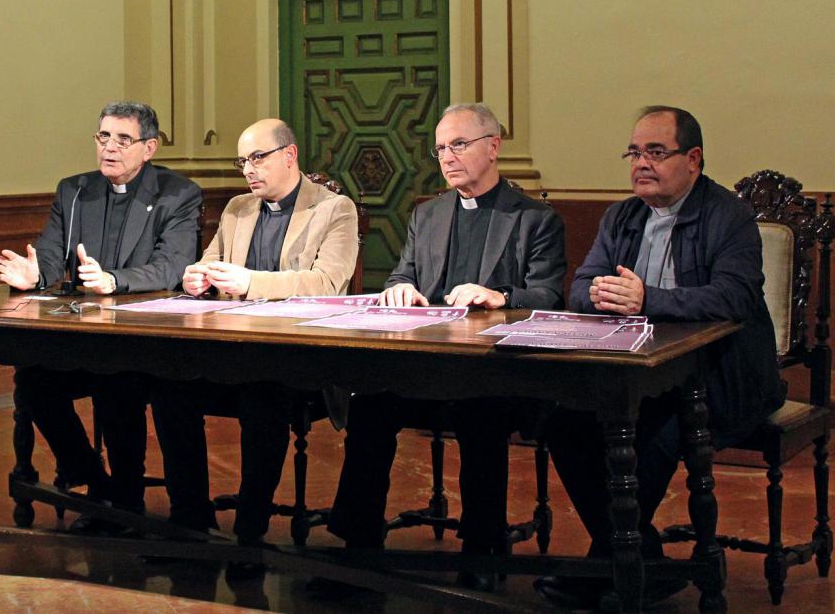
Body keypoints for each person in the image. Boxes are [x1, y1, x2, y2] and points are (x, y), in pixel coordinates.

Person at [536, 106, 785, 609]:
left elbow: (735, 298)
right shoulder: (622, 215)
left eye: (656, 152)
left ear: (692, 159)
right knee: (561, 423)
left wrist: (648, 300)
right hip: (634, 374)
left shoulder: (727, 216)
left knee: (654, 435)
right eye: (634, 152)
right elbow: (582, 286)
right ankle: (637, 558)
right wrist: (602, 295)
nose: (641, 164)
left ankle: (612, 562)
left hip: (721, 377)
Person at [323, 103, 566, 593]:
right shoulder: (428, 214)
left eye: (458, 144)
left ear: (493, 146)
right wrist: (398, 289)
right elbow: (402, 274)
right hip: (426, 365)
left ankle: (481, 553)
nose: (447, 157)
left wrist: (502, 297)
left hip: (495, 372)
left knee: (483, 420)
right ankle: (359, 550)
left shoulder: (534, 219)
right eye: (439, 148)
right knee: (370, 406)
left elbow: (550, 297)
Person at [150, 118, 359, 578]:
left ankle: (250, 531)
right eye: (242, 160)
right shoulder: (237, 210)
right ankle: (191, 521)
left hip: (297, 357)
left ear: (290, 155)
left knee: (263, 399)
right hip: (230, 350)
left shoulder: (334, 209)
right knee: (168, 389)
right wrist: (196, 277)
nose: (248, 169)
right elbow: (209, 261)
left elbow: (328, 283)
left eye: (257, 158)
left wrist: (249, 284)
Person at [0, 102, 201, 523]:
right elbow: (52, 252)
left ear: (149, 148)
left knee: (116, 383)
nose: (110, 148)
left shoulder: (178, 194)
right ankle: (93, 480)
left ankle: (126, 501)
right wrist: (34, 273)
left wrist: (115, 281)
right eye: (103, 137)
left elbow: (172, 266)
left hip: (149, 341)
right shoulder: (75, 191)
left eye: (123, 139)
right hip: (87, 338)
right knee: (34, 382)